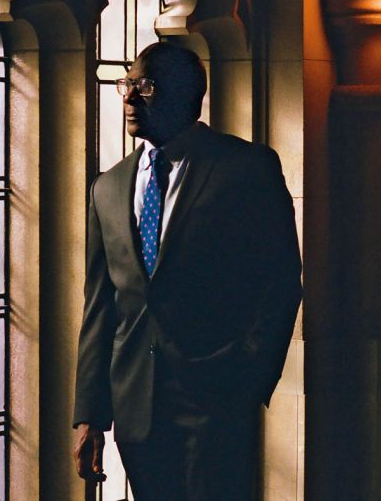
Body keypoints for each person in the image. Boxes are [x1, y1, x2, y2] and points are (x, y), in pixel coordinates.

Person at [72, 42, 303, 500]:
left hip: (218, 404)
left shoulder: (246, 168)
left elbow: (280, 282)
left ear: (185, 94)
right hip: (138, 409)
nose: (129, 97)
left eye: (146, 86)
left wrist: (247, 379)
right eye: (127, 84)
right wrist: (89, 416)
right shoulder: (109, 187)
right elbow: (101, 306)